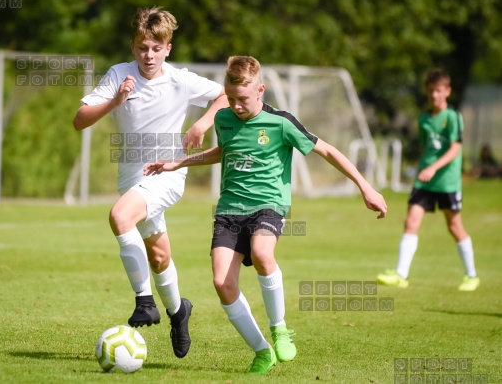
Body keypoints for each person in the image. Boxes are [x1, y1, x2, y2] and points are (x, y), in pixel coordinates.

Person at [144, 56, 387, 374]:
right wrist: (179, 162)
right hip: (229, 210)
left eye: (242, 99)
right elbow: (225, 151)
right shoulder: (225, 119)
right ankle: (261, 351)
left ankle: (280, 329)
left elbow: (327, 150)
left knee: (261, 252)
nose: (235, 105)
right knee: (221, 282)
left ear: (261, 90)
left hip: (268, 206)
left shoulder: (282, 123)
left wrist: (365, 187)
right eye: (230, 98)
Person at [72, 6, 228, 358]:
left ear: (167, 48)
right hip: (131, 177)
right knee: (159, 256)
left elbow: (226, 95)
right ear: (133, 46)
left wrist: (202, 124)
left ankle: (144, 301)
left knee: (119, 217)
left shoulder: (181, 79)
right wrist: (115, 100)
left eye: (157, 48)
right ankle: (178, 311)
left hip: (167, 174)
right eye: (143, 47)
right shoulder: (119, 75)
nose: (149, 55)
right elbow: (80, 120)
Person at [377, 68, 480, 291]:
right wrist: (423, 168)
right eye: (431, 91)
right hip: (424, 180)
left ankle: (471, 275)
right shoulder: (423, 118)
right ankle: (401, 275)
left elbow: (455, 149)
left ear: (448, 91)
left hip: (447, 181)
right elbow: (426, 148)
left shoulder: (453, 117)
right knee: (410, 222)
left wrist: (433, 167)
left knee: (454, 226)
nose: (434, 95)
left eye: (439, 91)